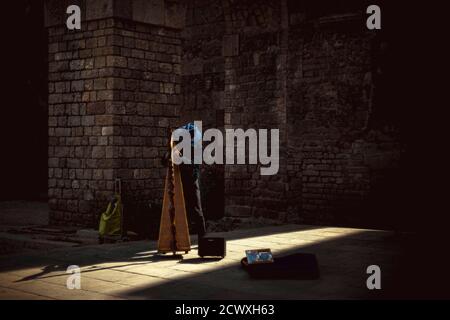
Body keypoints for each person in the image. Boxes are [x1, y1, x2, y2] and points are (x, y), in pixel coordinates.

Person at [163, 122, 207, 238]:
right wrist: (169, 153)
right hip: (177, 181)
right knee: (179, 209)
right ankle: (177, 236)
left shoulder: (197, 149)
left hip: (191, 180)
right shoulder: (179, 145)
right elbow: (164, 161)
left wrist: (181, 157)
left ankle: (202, 237)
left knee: (196, 209)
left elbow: (192, 167)